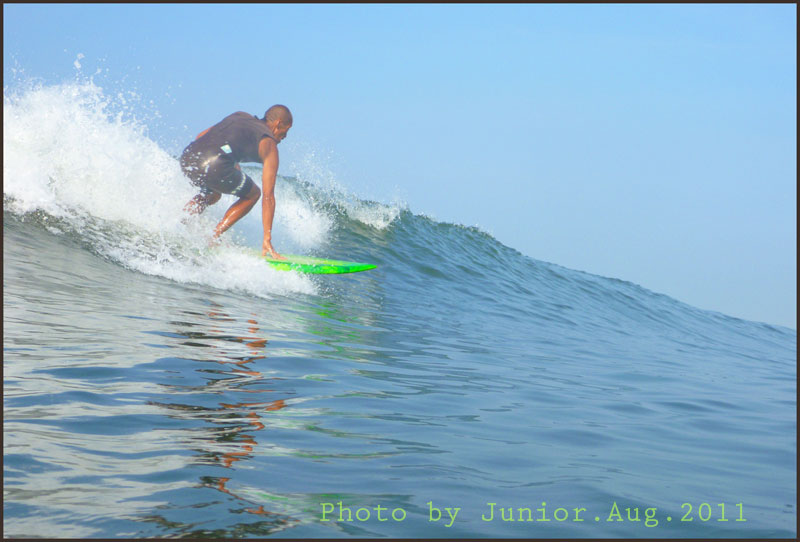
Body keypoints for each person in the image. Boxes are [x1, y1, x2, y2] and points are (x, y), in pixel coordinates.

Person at [180, 105, 292, 259]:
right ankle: (214, 236)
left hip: (188, 158)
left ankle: (182, 220)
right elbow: (268, 196)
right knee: (253, 194)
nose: (284, 137)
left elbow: (201, 136)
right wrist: (267, 238)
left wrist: (230, 163)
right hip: (215, 166)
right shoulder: (269, 143)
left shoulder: (239, 115)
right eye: (285, 131)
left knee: (213, 194)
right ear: (278, 124)